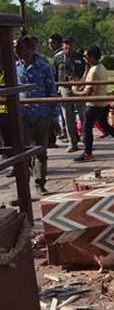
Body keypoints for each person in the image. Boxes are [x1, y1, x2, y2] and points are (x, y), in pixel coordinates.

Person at [72, 46, 114, 162]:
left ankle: (88, 153)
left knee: (87, 128)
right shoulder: (101, 67)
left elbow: (88, 91)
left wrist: (74, 91)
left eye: (86, 56)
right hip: (103, 102)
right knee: (105, 125)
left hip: (94, 103)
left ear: (92, 57)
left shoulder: (94, 71)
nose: (84, 58)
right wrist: (85, 71)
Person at [15, 35, 58, 194]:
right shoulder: (15, 67)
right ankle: (23, 188)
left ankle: (40, 183)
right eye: (17, 50)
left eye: (23, 50)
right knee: (23, 154)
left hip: (41, 114)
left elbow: (51, 91)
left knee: (41, 152)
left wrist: (54, 117)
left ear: (31, 50)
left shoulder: (43, 67)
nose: (20, 53)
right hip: (23, 115)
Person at [53, 35, 86, 152]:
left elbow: (84, 72)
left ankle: (86, 139)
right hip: (64, 87)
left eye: (70, 44)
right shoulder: (58, 58)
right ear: (62, 45)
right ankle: (73, 142)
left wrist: (81, 83)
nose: (68, 46)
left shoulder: (80, 57)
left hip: (78, 87)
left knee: (83, 114)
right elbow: (55, 74)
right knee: (68, 116)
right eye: (66, 44)